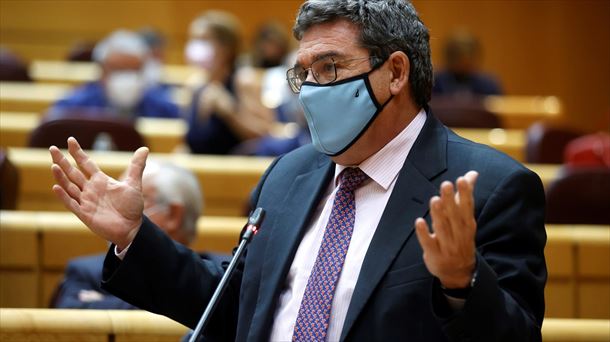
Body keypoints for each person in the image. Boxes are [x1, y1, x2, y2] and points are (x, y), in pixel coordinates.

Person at [49, 1, 546, 341]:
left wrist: (463, 284)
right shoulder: (289, 174)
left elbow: (517, 334)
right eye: (303, 73)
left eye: (329, 68)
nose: (309, 90)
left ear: (395, 73)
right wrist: (135, 235)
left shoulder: (491, 188)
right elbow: (237, 304)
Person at [52, 161, 214, 309]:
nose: (114, 212)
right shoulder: (86, 271)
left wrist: (106, 303)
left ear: (174, 216)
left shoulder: (224, 276)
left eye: (133, 200)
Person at [184, 11, 275, 155]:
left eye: (204, 40)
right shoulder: (194, 85)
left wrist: (230, 112)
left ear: (226, 47)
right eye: (193, 39)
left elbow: (266, 134)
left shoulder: (243, 80)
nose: (196, 47)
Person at [51, 30, 180, 119]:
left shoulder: (163, 108)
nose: (126, 77)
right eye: (118, 70)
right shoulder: (73, 105)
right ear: (102, 72)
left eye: (133, 71)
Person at [432, 29, 503, 97]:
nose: (463, 63)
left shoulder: (488, 84)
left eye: (469, 55)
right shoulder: (435, 82)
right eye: (458, 56)